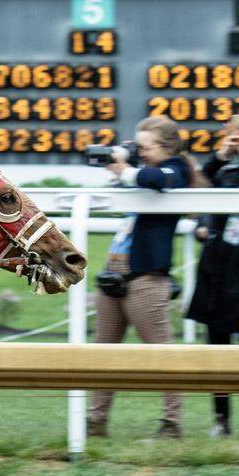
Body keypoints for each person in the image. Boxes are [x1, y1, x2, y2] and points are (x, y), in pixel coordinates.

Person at [88, 116, 193, 440]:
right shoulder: (141, 173)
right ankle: (94, 422)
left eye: (146, 148)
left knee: (162, 355)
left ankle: (171, 423)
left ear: (167, 147)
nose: (141, 153)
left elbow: (158, 179)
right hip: (115, 273)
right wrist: (119, 170)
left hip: (147, 277)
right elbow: (121, 186)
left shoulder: (177, 168)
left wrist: (126, 170)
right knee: (103, 354)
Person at [186, 124, 239, 437]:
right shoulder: (227, 173)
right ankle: (221, 419)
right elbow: (199, 185)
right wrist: (220, 156)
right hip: (220, 272)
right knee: (218, 349)